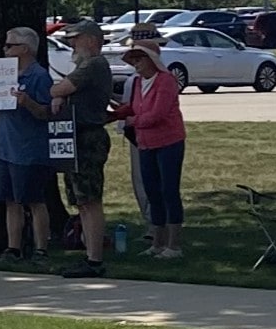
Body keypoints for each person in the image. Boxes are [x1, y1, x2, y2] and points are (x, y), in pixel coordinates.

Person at [49, 19, 114, 278]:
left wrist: (58, 94)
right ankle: (89, 255)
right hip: (76, 137)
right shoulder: (88, 65)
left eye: (75, 39)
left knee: (90, 200)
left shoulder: (94, 64)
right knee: (82, 202)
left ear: (90, 39)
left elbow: (60, 87)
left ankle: (95, 258)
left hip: (88, 137)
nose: (71, 44)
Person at [110, 38, 187, 258]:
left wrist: (134, 121)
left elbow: (157, 114)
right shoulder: (136, 83)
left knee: (169, 191)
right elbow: (133, 107)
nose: (135, 64)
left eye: (139, 59)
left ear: (152, 59)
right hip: (145, 143)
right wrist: (116, 114)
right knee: (153, 192)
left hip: (169, 142)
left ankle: (174, 245)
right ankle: (157, 242)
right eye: (133, 60)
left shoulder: (166, 81)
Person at [0, 26, 57, 265]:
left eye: (10, 45)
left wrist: (27, 102)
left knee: (34, 200)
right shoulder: (3, 75)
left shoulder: (38, 76)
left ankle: (41, 249)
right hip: (7, 147)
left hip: (30, 149)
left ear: (25, 49)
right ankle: (14, 247)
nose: (5, 49)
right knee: (11, 200)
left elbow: (47, 113)